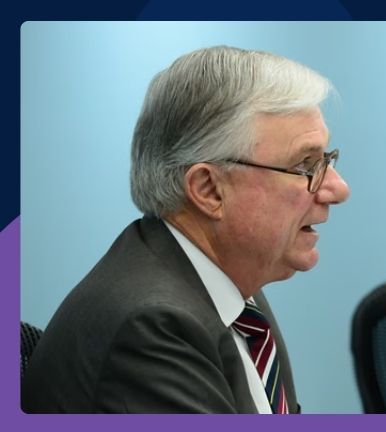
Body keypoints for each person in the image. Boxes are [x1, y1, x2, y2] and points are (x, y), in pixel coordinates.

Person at [22, 46, 350, 413]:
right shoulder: (151, 327)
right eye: (305, 166)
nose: (338, 189)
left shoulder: (237, 296)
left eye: (326, 160)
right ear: (209, 190)